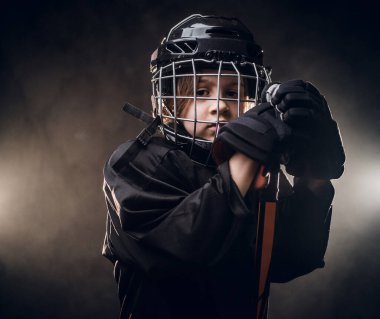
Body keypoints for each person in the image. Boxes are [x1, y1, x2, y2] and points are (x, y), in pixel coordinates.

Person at [102, 14, 345, 319]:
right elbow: (189, 249)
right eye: (201, 92)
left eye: (232, 92)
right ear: (168, 103)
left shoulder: (259, 166)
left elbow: (289, 259)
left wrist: (314, 177)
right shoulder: (136, 164)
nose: (220, 105)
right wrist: (246, 156)